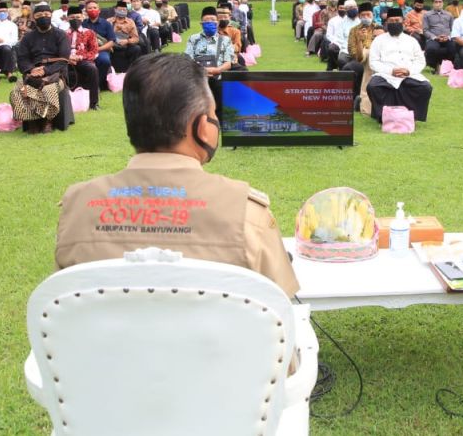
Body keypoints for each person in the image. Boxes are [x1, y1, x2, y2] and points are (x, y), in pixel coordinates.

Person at [55, 52, 299, 296]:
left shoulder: (76, 208)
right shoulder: (247, 213)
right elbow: (280, 305)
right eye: (214, 115)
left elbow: (63, 303)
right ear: (202, 127)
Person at [11, 3, 71, 134]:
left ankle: (46, 121)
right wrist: (31, 70)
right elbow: (22, 58)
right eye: (39, 15)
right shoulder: (27, 37)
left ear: (51, 15)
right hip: (32, 73)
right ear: (34, 18)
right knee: (18, 90)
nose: (43, 17)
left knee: (47, 89)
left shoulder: (61, 35)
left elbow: (64, 60)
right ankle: (32, 121)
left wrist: (45, 71)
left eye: (46, 15)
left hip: (55, 74)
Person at [366, 7, 433, 122]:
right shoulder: (379, 40)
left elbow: (420, 61)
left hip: (408, 74)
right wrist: (391, 71)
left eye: (397, 21)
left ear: (403, 21)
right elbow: (374, 62)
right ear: (386, 23)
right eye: (391, 21)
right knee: (373, 86)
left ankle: (411, 116)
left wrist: (408, 71)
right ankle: (383, 116)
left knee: (425, 87)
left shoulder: (411, 40)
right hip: (386, 75)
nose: (394, 23)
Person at [184, 6, 234, 109]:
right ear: (201, 24)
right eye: (206, 21)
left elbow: (228, 63)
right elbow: (187, 59)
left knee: (220, 105)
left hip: (218, 79)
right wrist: (201, 70)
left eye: (212, 20)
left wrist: (217, 70)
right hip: (198, 78)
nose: (210, 23)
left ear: (217, 23)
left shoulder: (225, 40)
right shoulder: (193, 39)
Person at [343, 2, 381, 104]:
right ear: (359, 16)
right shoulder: (354, 30)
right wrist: (360, 55)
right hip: (359, 59)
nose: (366, 17)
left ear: (372, 15)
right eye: (363, 15)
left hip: (376, 59)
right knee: (349, 68)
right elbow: (351, 49)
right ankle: (355, 97)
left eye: (368, 14)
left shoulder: (379, 28)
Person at [66, 5, 100, 110]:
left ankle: (94, 103)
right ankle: (65, 104)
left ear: (82, 17)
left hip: (83, 60)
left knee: (92, 69)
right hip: (65, 60)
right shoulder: (62, 33)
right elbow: (57, 51)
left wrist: (80, 57)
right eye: (72, 18)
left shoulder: (89, 33)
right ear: (67, 19)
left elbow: (94, 51)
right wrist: (68, 57)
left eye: (78, 17)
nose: (75, 20)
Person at [82, 0, 116, 79]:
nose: (92, 10)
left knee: (105, 60)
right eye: (90, 8)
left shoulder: (106, 24)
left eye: (95, 8)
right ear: (86, 11)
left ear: (99, 10)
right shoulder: (83, 24)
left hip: (101, 50)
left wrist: (98, 49)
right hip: (86, 51)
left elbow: (111, 42)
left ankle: (100, 82)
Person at [324, 0, 359, 71]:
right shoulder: (342, 22)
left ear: (357, 8)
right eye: (349, 8)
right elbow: (339, 38)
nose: (352, 9)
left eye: (353, 7)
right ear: (346, 10)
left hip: (360, 48)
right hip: (346, 48)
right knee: (341, 60)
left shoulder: (361, 20)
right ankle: (343, 78)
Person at [423, 0, 455, 73]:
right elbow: (425, 30)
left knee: (454, 47)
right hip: (434, 39)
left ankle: (449, 67)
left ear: (443, 3)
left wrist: (448, 37)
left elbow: (453, 29)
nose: (438, 4)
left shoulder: (449, 15)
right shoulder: (427, 15)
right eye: (436, 2)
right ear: (432, 3)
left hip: (447, 38)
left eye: (440, 2)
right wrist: (435, 37)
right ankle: (434, 66)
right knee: (431, 48)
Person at [108, 1, 144, 72]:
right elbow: (104, 36)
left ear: (127, 10)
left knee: (136, 48)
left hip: (125, 45)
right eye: (120, 10)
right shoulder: (109, 21)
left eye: (124, 10)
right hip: (111, 46)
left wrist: (127, 41)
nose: (122, 11)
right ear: (115, 10)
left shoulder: (130, 22)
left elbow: (136, 38)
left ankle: (132, 70)